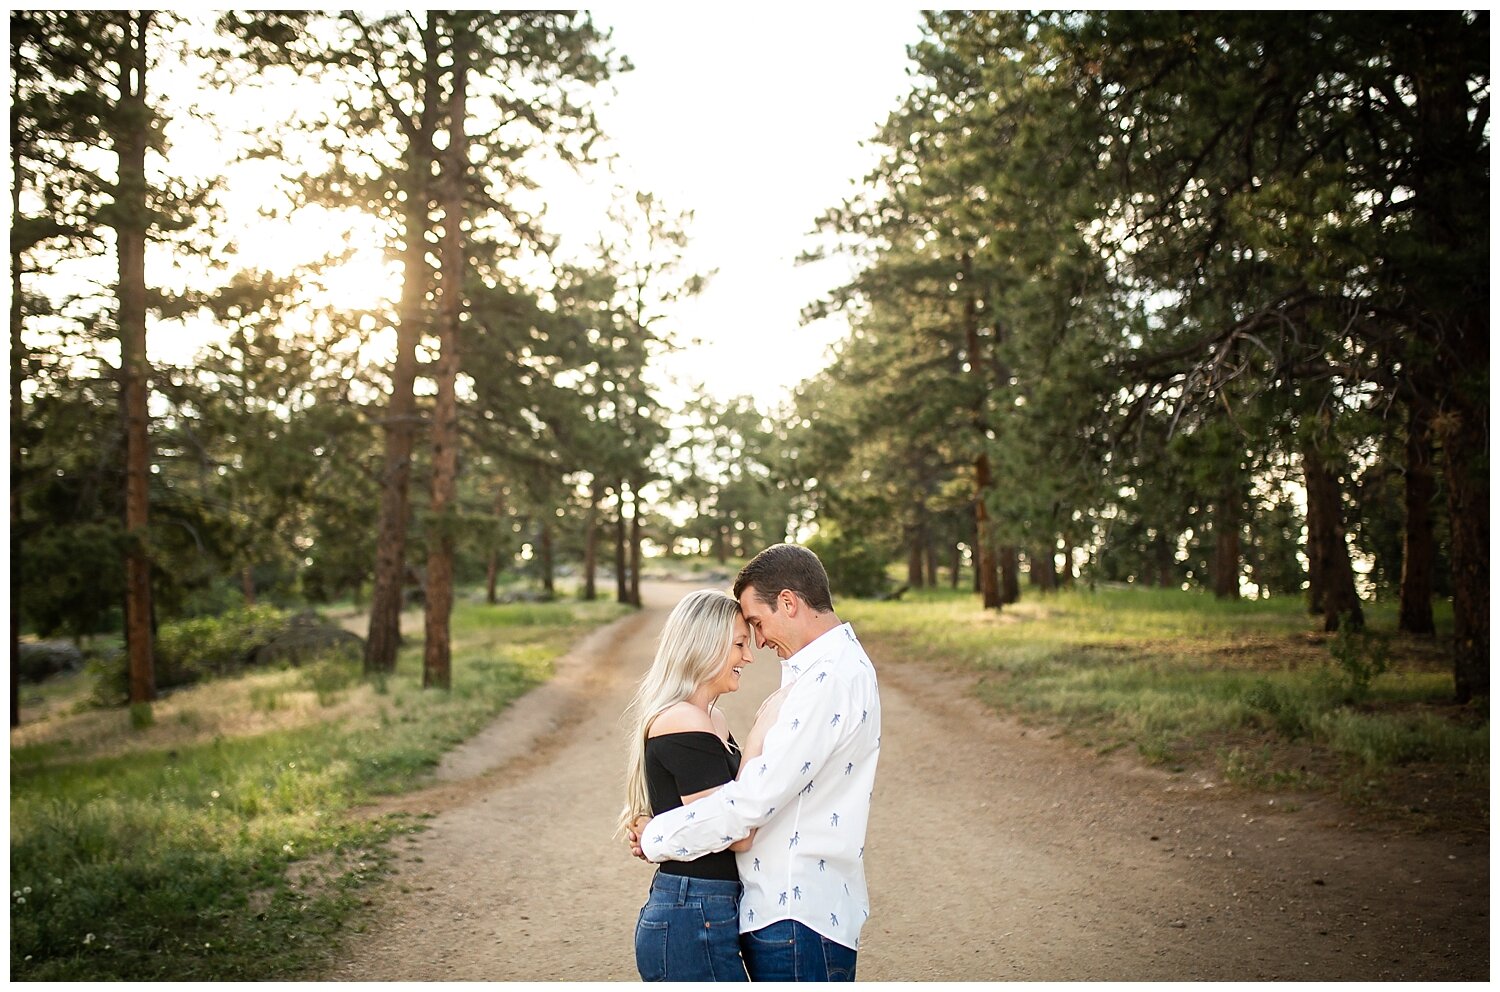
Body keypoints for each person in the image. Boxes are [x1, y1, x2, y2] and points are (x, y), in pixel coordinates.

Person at [632, 544, 882, 982]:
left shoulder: (828, 681)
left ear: (788, 602)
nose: (759, 645)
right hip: (790, 910)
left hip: (795, 912)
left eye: (757, 626)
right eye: (745, 637)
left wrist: (656, 835)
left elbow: (750, 803)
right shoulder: (829, 672)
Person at [618, 589, 758, 981]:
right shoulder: (683, 721)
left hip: (708, 908)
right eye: (739, 644)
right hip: (691, 912)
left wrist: (656, 832)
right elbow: (736, 834)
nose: (748, 657)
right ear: (705, 645)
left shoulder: (714, 720)